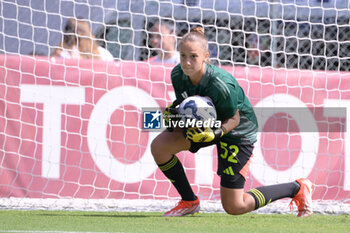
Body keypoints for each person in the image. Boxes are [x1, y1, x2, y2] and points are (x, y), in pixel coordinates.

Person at [151, 27, 313, 217]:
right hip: (208, 125)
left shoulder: (220, 84)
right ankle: (189, 201)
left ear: (205, 56)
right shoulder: (177, 75)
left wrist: (215, 134)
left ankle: (297, 188)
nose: (187, 62)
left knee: (235, 206)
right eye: (183, 55)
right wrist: (173, 113)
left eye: (193, 56)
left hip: (237, 131)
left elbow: (234, 118)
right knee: (160, 147)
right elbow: (188, 103)